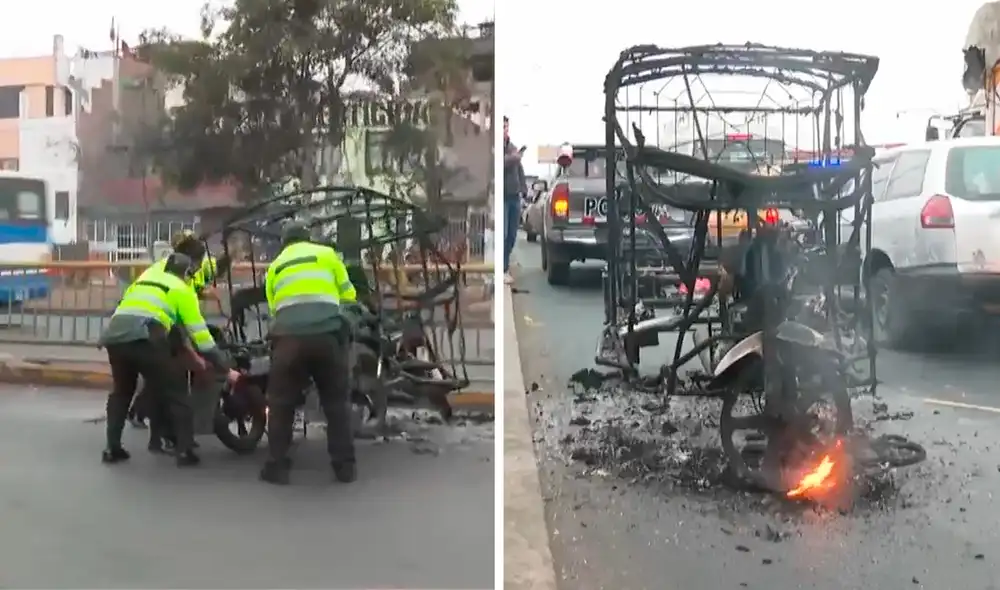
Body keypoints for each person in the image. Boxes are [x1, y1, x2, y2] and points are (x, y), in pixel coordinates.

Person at [99, 252, 241, 466]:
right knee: (177, 391)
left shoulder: (144, 281)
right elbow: (200, 336)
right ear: (186, 273)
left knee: (121, 392)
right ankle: (184, 452)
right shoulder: (181, 289)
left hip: (114, 337)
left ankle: (112, 449)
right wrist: (225, 365)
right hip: (144, 338)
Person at [260, 223, 360, 485]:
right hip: (327, 335)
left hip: (288, 341)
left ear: (285, 242)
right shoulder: (327, 255)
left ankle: (277, 467)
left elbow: (274, 309)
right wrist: (344, 324)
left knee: (281, 404)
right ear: (308, 238)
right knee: (336, 405)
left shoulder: (275, 266)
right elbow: (349, 295)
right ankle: (344, 467)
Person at [503, 116, 527, 285]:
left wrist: (524, 190)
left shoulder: (512, 148)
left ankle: (505, 265)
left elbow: (520, 170)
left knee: (512, 235)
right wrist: (515, 157)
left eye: (506, 127)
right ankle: (502, 268)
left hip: (514, 196)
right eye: (502, 127)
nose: (505, 130)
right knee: (503, 234)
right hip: (502, 197)